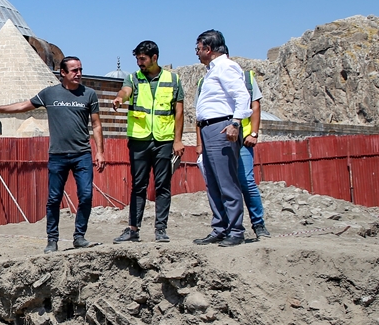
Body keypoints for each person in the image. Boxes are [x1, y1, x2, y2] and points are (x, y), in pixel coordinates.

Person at [0, 56, 105, 252]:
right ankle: (52, 240)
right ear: (63, 73)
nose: (78, 74)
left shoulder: (89, 94)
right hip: (58, 155)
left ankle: (79, 237)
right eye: (74, 70)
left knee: (86, 195)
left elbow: (96, 124)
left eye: (80, 69)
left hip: (82, 155)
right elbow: (22, 106)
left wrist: (100, 152)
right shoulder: (50, 94)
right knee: (54, 198)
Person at [111, 41, 184, 243]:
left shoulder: (173, 79)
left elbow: (179, 111)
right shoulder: (133, 78)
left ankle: (161, 229)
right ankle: (133, 229)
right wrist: (119, 98)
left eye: (142, 59)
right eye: (137, 59)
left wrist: (178, 140)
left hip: (164, 140)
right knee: (138, 186)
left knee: (163, 185)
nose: (139, 63)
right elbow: (125, 91)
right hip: (139, 140)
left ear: (154, 57)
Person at [196, 59, 271, 240]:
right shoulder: (205, 79)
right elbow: (201, 114)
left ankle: (258, 224)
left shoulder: (246, 77)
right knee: (218, 183)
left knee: (245, 181)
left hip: (241, 137)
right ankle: (223, 228)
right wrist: (199, 144)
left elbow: (255, 105)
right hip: (218, 136)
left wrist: (253, 133)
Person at [191, 30, 252, 247]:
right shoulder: (211, 71)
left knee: (227, 181)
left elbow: (243, 95)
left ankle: (235, 230)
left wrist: (235, 123)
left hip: (222, 127)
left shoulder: (226, 66)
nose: (196, 53)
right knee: (213, 182)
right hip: (209, 128)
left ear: (208, 49)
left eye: (198, 48)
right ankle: (220, 228)